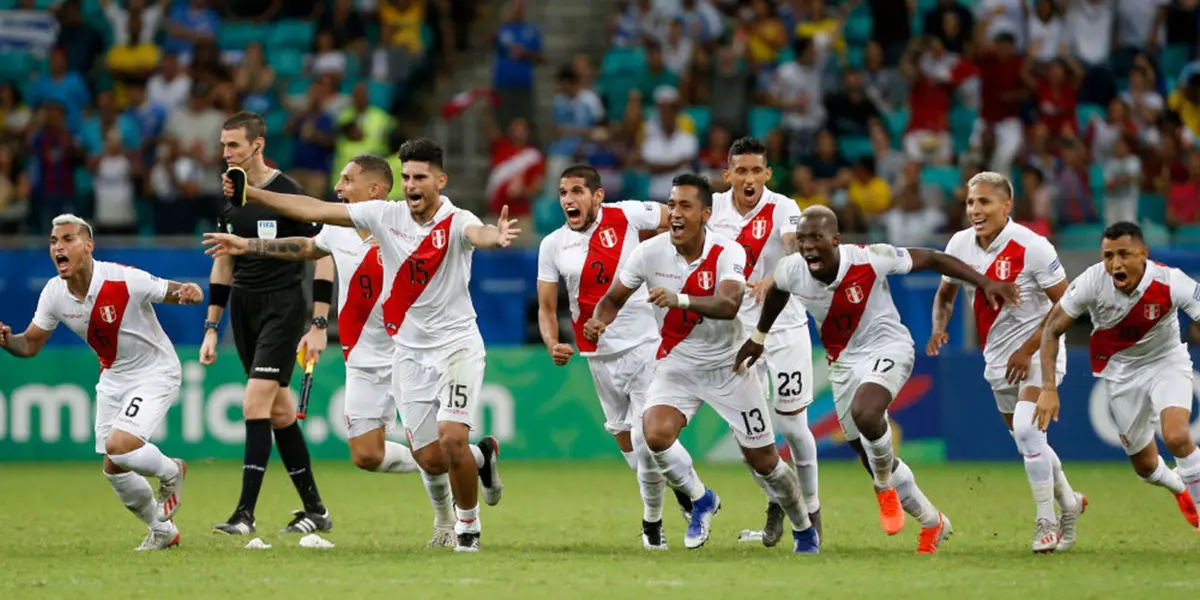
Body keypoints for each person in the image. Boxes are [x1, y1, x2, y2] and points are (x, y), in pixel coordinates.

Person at [222, 138, 512, 552]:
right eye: (407, 176)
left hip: (433, 346)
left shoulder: (447, 219)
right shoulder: (372, 220)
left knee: (447, 441)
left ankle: (461, 526)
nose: (338, 187)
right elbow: (311, 218)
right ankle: (477, 459)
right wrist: (251, 215)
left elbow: (477, 232)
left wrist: (493, 236)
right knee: (397, 457)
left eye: (419, 177)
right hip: (381, 353)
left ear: (439, 181)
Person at [738, 206, 1020, 554]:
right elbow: (779, 291)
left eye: (816, 238)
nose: (807, 246)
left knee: (868, 414)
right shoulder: (791, 269)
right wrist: (760, 336)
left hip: (889, 345)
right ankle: (933, 523)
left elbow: (932, 258)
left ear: (836, 241)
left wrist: (986, 282)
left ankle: (884, 486)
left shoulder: (871, 258)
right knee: (864, 450)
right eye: (802, 239)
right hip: (842, 363)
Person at [583, 173, 821, 554]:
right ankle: (701, 499)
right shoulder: (649, 252)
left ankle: (804, 527)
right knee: (653, 434)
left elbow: (728, 306)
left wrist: (679, 300)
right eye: (672, 205)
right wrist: (599, 321)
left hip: (730, 368)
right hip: (677, 366)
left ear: (706, 214)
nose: (675, 213)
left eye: (685, 206)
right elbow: (612, 299)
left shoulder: (728, 251)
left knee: (765, 461)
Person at [0, 214, 202, 550]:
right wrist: (7, 340)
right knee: (114, 467)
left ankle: (172, 470)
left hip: (155, 370)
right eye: (53, 241)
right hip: (113, 376)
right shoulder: (53, 293)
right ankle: (163, 532)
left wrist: (190, 292)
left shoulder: (123, 280)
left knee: (120, 446)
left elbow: (174, 291)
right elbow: (30, 344)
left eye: (67, 239)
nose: (58, 247)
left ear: (88, 246)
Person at [536, 164, 695, 550]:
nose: (568, 200)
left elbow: (675, 218)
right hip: (597, 357)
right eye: (563, 193)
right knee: (632, 450)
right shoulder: (553, 244)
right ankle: (679, 491)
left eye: (577, 191)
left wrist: (679, 264)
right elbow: (545, 306)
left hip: (644, 345)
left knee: (645, 440)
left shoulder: (627, 213)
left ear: (598, 196)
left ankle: (660, 519)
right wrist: (551, 341)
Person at [929, 171, 1085, 553]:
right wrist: (939, 326)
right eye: (970, 202)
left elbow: (1067, 306)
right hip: (997, 358)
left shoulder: (1033, 247)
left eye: (984, 202)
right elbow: (945, 294)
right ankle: (1069, 501)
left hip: (1039, 352)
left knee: (1027, 430)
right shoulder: (960, 244)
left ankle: (1046, 521)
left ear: (1006, 205)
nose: (975, 210)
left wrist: (1029, 349)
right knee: (1026, 438)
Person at [203, 111, 337, 536]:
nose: (226, 154)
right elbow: (224, 259)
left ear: (257, 146)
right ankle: (316, 511)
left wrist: (319, 321)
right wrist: (212, 326)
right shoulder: (229, 195)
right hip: (244, 308)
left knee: (253, 404)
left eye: (234, 146)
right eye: (223, 146)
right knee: (280, 412)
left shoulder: (288, 193)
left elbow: (325, 251)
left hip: (283, 308)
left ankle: (244, 514)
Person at [1035, 222, 1200, 533]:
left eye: (1124, 254)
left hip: (1166, 363)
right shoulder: (1091, 282)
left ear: (1144, 254)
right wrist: (1047, 388)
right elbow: (1052, 328)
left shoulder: (1169, 280)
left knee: (1177, 436)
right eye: (1108, 256)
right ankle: (1179, 486)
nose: (1115, 264)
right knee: (1146, 468)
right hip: (1121, 374)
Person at [707, 136, 822, 546]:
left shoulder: (783, 207)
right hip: (735, 333)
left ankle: (811, 512)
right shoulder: (714, 210)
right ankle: (779, 498)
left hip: (784, 327)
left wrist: (777, 275)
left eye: (757, 170)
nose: (749, 178)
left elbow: (796, 248)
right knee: (750, 440)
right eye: (741, 171)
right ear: (728, 175)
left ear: (768, 174)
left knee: (792, 425)